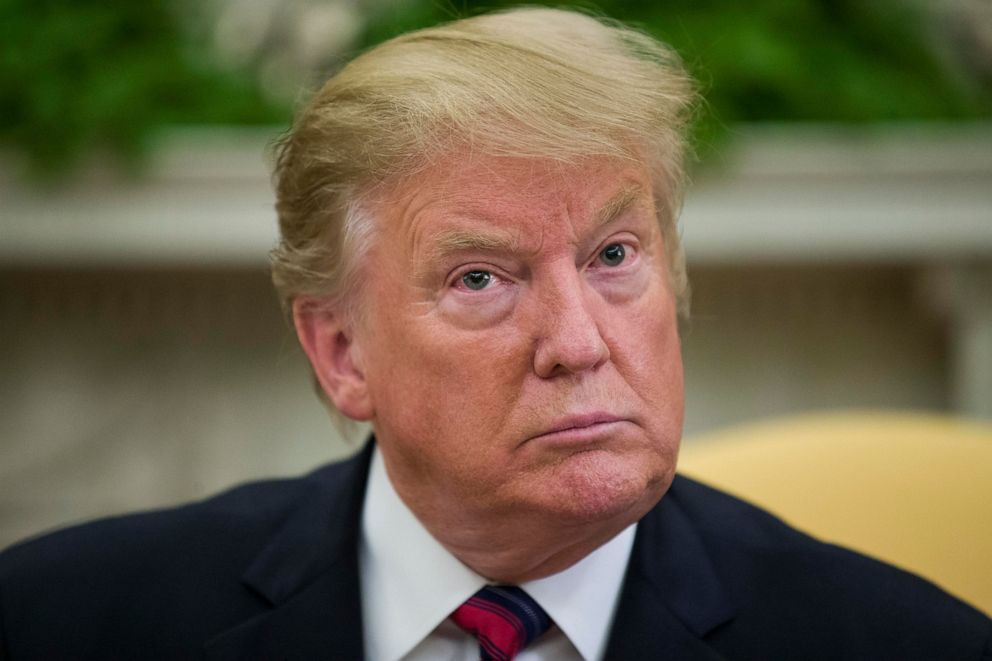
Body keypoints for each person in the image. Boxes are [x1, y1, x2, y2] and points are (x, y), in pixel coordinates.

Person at [0, 7, 989, 660]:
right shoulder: (60, 622)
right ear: (342, 353)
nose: (576, 341)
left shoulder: (905, 645)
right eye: (481, 278)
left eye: (611, 257)